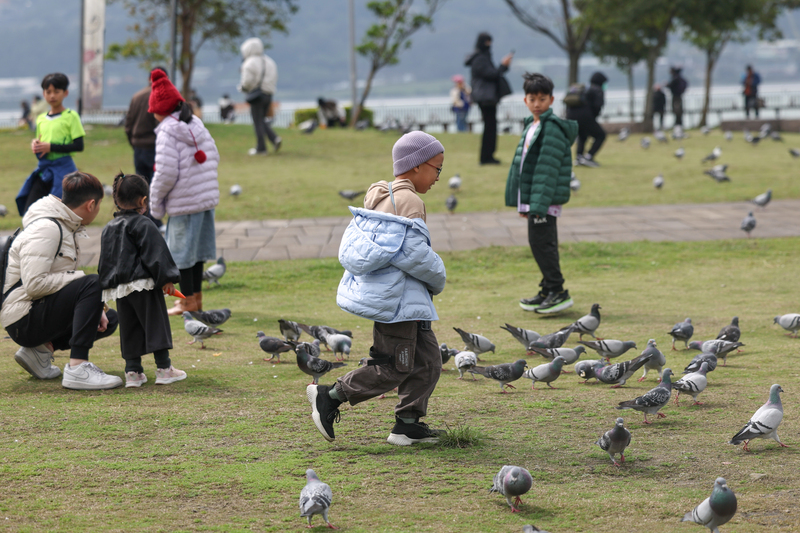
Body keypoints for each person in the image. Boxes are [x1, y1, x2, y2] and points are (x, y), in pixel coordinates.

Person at [307, 131, 447, 446]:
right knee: (394, 367)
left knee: (428, 361)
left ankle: (407, 425)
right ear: (416, 166)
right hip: (398, 302)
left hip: (407, 301)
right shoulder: (409, 200)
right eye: (436, 169)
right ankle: (330, 396)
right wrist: (438, 276)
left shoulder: (381, 194)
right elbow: (413, 254)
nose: (439, 177)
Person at [2, 171, 122, 390]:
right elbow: (35, 284)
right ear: (91, 204)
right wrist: (81, 278)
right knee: (93, 282)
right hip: (23, 319)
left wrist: (98, 306)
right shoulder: (47, 228)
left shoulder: (64, 225)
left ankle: (40, 351)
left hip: (34, 312)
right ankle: (78, 368)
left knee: (109, 319)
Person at [98, 172, 186, 388]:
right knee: (155, 322)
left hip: (121, 289)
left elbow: (105, 261)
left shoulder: (108, 228)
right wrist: (166, 278)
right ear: (143, 200)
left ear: (116, 200)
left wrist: (104, 288)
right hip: (143, 285)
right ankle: (164, 369)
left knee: (129, 327)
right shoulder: (144, 224)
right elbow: (156, 254)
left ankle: (133, 372)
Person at [147, 69, 220, 316]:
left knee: (181, 256)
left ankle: (186, 304)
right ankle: (196, 302)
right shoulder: (196, 123)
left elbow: (165, 173)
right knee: (197, 255)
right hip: (204, 202)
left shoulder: (167, 131)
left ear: (159, 110)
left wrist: (155, 204)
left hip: (183, 204)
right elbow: (214, 157)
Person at [505, 73, 578, 314]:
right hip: (535, 200)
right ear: (525, 100)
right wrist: (524, 201)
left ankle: (558, 291)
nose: (537, 103)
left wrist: (537, 203)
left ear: (552, 100)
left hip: (544, 201)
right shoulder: (532, 125)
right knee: (538, 243)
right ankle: (547, 289)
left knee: (543, 244)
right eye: (533, 98)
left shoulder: (552, 129)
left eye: (543, 99)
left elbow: (547, 171)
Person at [16, 73, 85, 216]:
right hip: (45, 170)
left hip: (64, 170)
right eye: (48, 92)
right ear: (44, 93)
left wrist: (51, 147)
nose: (52, 95)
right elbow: (41, 142)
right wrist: (35, 145)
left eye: (56, 91)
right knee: (30, 211)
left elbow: (79, 145)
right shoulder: (41, 119)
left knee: (60, 212)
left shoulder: (71, 116)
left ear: (65, 93)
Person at [124, 66, 166, 227]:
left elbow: (128, 125)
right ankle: (155, 220)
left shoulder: (136, 96)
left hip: (138, 148)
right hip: (154, 148)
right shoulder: (158, 96)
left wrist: (133, 143)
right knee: (155, 185)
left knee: (142, 187)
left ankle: (145, 220)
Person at [465, 32, 513, 165]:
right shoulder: (480, 59)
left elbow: (493, 74)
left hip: (487, 97)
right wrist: (503, 65)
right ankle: (486, 157)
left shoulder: (482, 57)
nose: (489, 45)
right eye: (487, 42)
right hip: (485, 98)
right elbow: (492, 74)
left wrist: (503, 67)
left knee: (491, 126)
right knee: (490, 127)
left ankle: (488, 156)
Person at [239, 37, 282, 155]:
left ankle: (261, 148)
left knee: (257, 121)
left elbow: (246, 82)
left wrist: (243, 88)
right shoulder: (269, 61)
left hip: (256, 95)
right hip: (268, 94)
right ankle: (274, 139)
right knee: (261, 120)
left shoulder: (249, 62)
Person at [566, 71, 607, 168]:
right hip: (585, 116)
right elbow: (597, 106)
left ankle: (579, 157)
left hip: (571, 116)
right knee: (601, 135)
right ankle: (588, 157)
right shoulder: (597, 90)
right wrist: (592, 117)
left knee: (582, 135)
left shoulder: (584, 89)